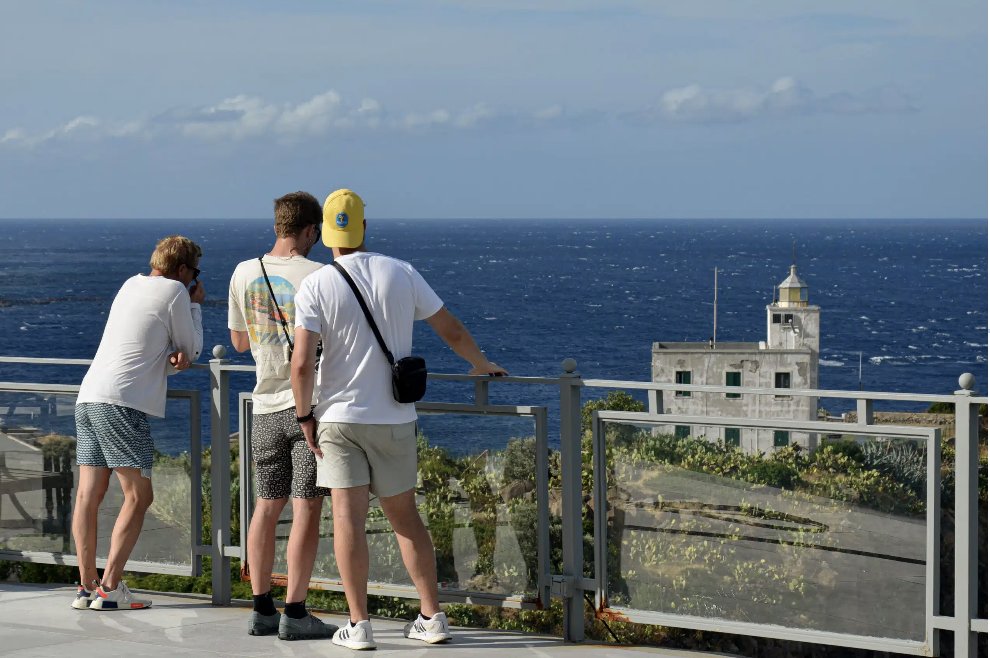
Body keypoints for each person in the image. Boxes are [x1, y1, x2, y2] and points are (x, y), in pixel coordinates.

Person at [291, 189, 507, 650]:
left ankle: (359, 625)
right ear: (364, 228)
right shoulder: (401, 271)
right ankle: (431, 615)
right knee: (406, 519)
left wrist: (305, 415)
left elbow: (302, 364)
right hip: (394, 417)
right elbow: (448, 326)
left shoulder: (316, 285)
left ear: (327, 235)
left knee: (348, 522)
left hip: (338, 420)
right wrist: (480, 363)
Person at [72, 235, 204, 611]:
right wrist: (195, 307)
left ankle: (86, 588)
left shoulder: (130, 283)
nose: (194, 278)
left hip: (90, 395)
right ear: (182, 270)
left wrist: (170, 358)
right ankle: (109, 588)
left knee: (88, 496)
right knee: (139, 496)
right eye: (193, 271)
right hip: (121, 404)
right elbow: (191, 349)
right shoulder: (176, 292)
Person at [227, 191, 337, 640]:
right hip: (306, 408)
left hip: (263, 406)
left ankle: (260, 608)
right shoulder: (320, 275)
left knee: (265, 507)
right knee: (306, 507)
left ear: (277, 226)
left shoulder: (243, 272)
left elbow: (237, 342)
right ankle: (295, 610)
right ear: (310, 230)